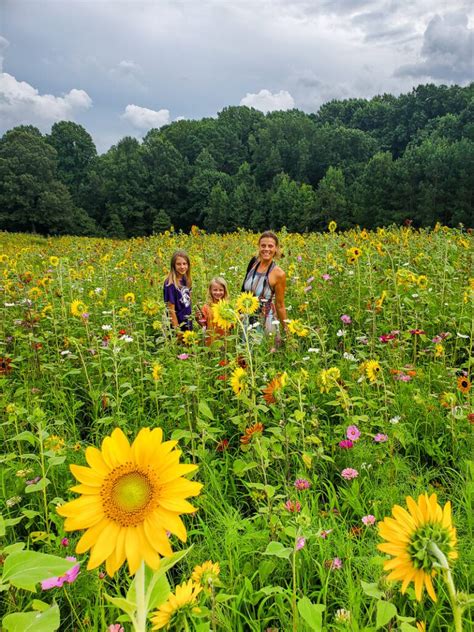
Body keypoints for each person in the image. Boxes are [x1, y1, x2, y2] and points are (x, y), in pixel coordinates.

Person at [241, 231, 287, 336]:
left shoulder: (279, 274)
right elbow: (243, 291)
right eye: (263, 246)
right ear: (259, 247)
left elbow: (280, 305)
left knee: (262, 351)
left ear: (276, 249)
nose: (266, 249)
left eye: (270, 246)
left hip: (266, 320)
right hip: (247, 317)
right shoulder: (253, 262)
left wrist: (286, 330)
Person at [163, 250, 192, 334]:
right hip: (177, 324)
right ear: (173, 266)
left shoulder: (186, 279)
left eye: (184, 263)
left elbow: (188, 301)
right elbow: (171, 310)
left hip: (187, 321)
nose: (182, 267)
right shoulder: (170, 284)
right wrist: (177, 331)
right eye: (178, 264)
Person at [196, 276, 230, 346]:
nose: (218, 292)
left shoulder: (227, 306)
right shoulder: (206, 307)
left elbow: (231, 324)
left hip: (225, 339)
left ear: (225, 291)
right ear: (210, 291)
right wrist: (198, 318)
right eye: (215, 290)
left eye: (221, 290)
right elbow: (203, 325)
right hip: (211, 340)